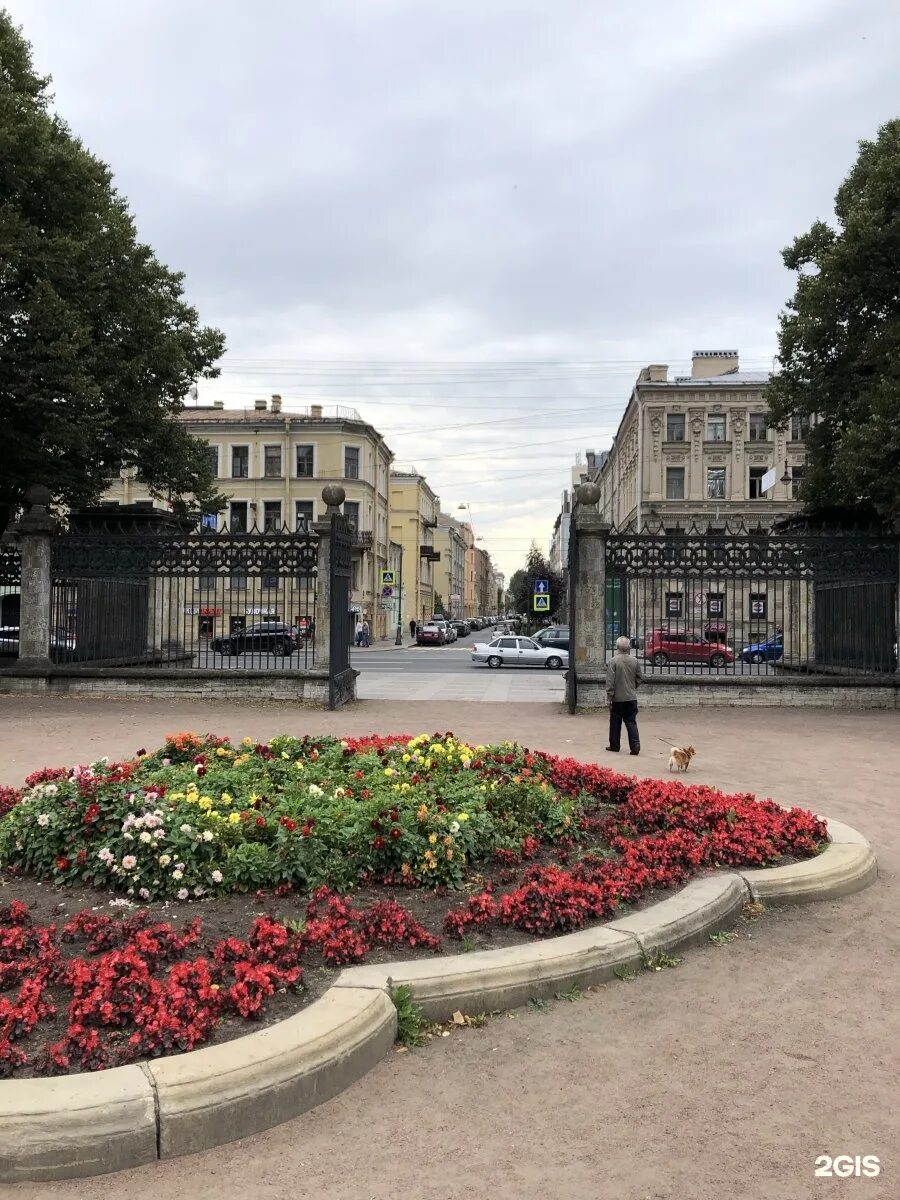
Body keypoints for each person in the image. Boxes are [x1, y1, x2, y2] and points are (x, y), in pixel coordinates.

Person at [605, 635, 642, 755]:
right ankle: (635, 745)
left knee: (615, 722)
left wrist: (609, 696)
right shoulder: (635, 661)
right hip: (631, 697)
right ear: (629, 647)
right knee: (631, 722)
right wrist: (632, 687)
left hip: (617, 698)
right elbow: (639, 678)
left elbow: (610, 681)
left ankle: (615, 745)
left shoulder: (613, 661)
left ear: (617, 648)